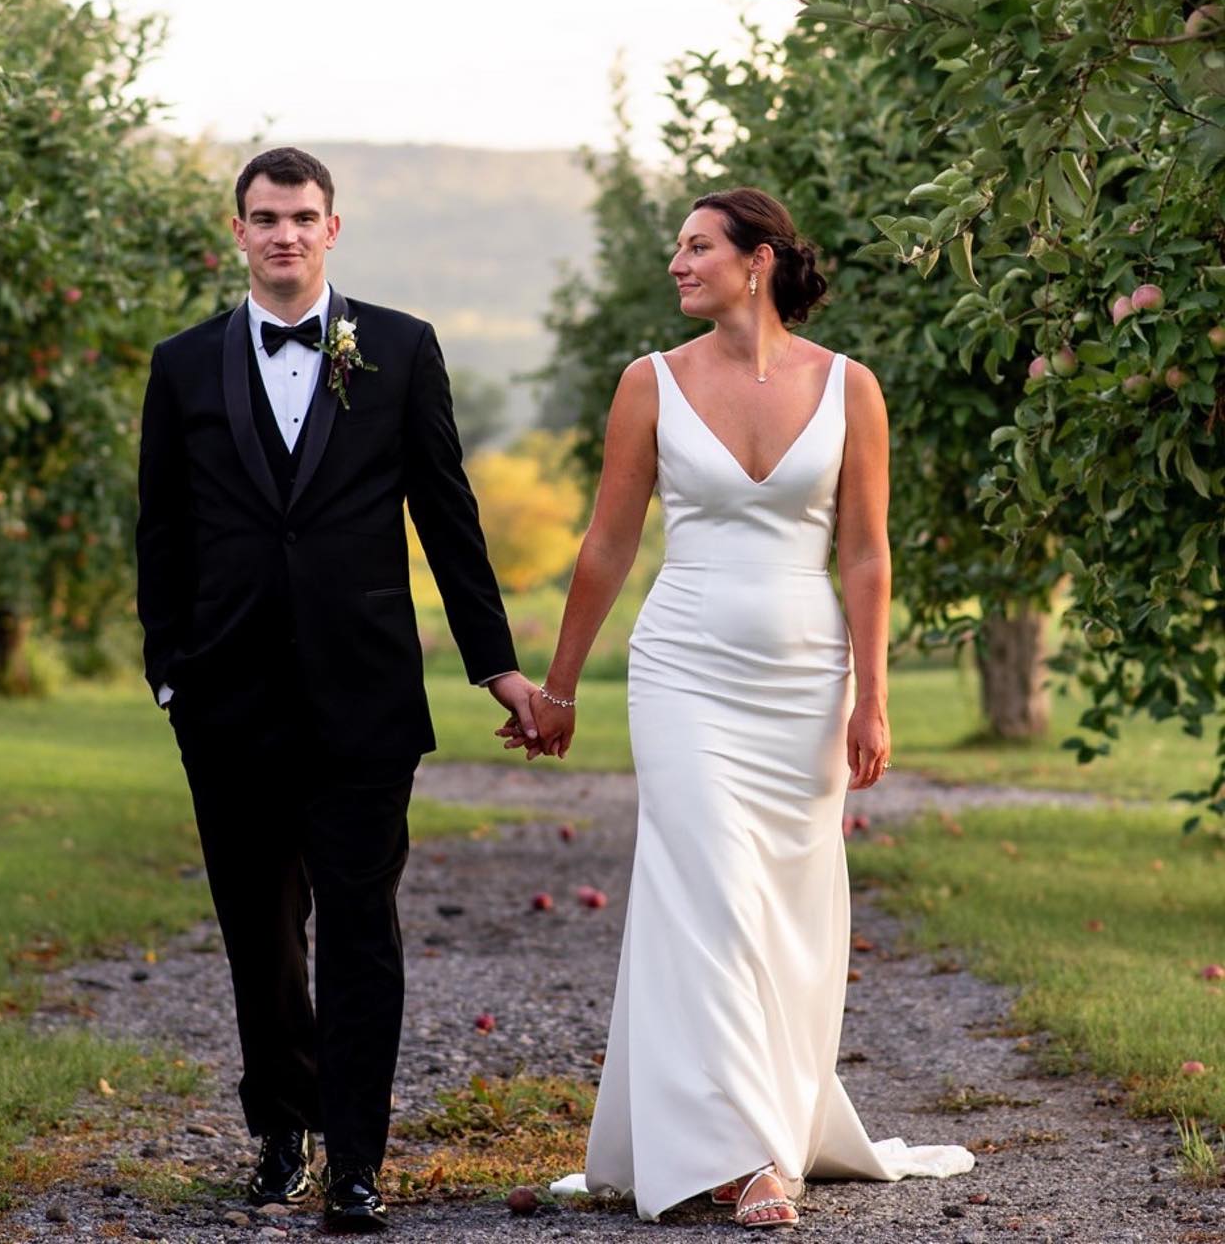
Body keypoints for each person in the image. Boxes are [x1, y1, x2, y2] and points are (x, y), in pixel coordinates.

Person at [513, 187, 974, 1226]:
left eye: (696, 246)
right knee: (711, 891)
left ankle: (765, 1117)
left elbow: (864, 551)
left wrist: (875, 699)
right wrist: (562, 684)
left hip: (809, 680)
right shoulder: (650, 383)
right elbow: (608, 544)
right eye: (675, 247)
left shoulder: (851, 386)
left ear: (757, 261)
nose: (676, 263)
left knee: (786, 908)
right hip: (682, 670)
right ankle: (744, 1152)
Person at [136, 146, 536, 1233]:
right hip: (225, 702)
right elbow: (162, 533)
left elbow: (448, 519)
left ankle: (357, 1161)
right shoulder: (181, 366)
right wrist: (169, 674)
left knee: (362, 929)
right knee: (260, 934)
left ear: (333, 227)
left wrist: (494, 663)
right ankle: (280, 1133)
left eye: (303, 216)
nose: (285, 234)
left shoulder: (399, 350)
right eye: (264, 218)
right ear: (238, 232)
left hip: (362, 700)